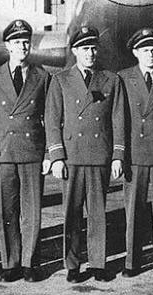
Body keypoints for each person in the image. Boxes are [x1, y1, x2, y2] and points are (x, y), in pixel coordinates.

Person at [45, 26, 126, 283]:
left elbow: (118, 120)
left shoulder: (110, 80)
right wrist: (56, 156)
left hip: (99, 154)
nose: (90, 53)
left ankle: (98, 263)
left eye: (93, 48)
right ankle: (72, 264)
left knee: (98, 212)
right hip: (72, 157)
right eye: (84, 49)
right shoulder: (60, 80)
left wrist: (117, 156)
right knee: (71, 214)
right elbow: (52, 119)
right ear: (75, 52)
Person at [0, 19, 49, 283]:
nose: (22, 46)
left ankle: (30, 263)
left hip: (32, 151)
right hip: (4, 152)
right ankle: (10, 263)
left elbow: (50, 116)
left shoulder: (42, 76)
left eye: (25, 41)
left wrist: (48, 154)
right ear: (7, 46)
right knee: (7, 211)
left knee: (32, 211)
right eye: (16, 42)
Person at [118, 28, 153, 278]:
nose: (150, 54)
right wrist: (119, 154)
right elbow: (119, 118)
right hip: (135, 153)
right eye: (145, 50)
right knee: (134, 210)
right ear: (135, 53)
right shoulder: (123, 78)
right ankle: (132, 261)